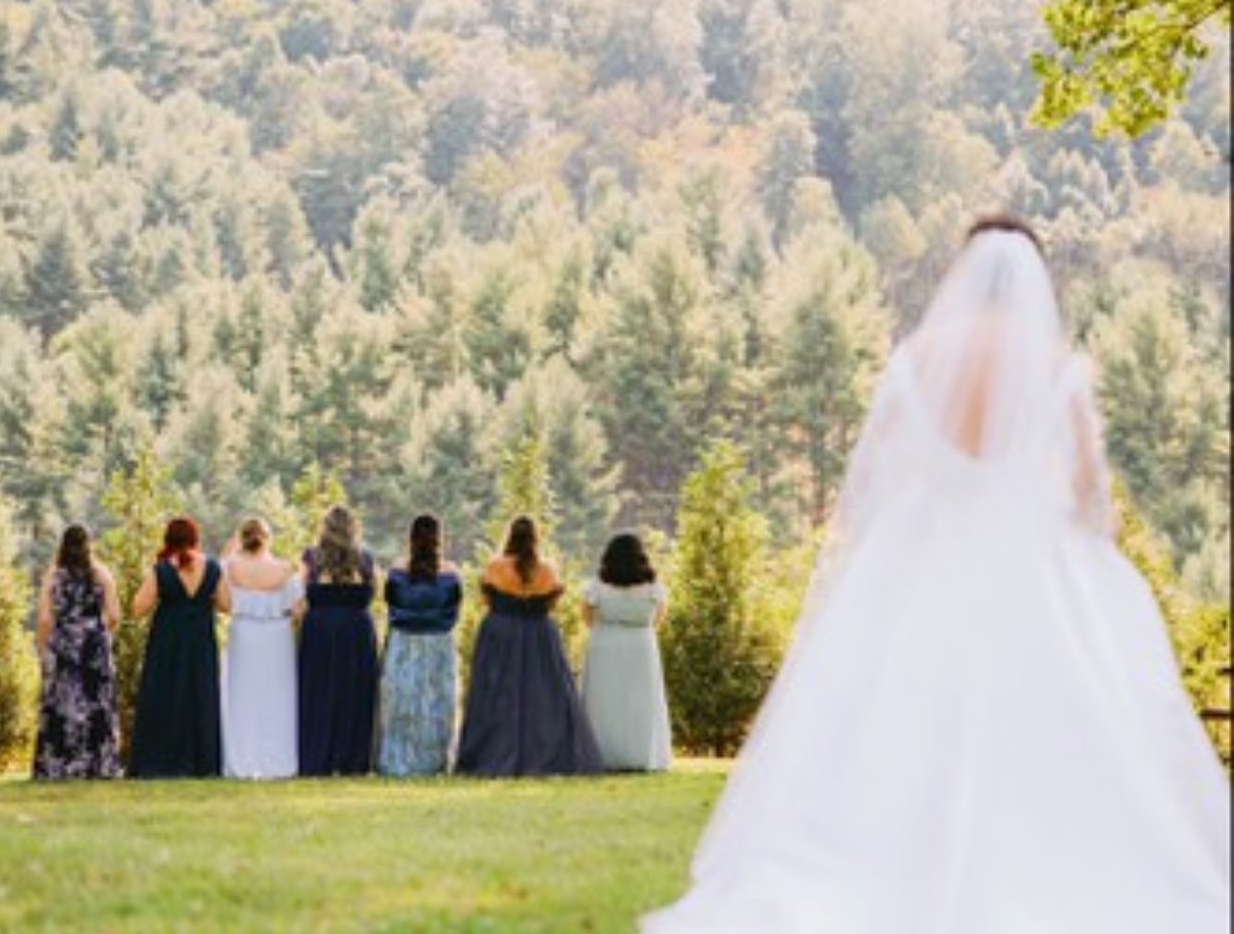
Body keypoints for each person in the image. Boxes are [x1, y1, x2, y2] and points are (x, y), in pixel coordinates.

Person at [643, 216, 1231, 934]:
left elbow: (874, 478)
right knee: (1038, 722)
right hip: (1027, 575)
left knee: (906, 718)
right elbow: (1088, 495)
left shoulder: (919, 357)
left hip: (926, 563)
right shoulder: (1053, 365)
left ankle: (894, 860)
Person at [456, 515, 602, 777]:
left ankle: (491, 753)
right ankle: (545, 755)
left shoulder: (495, 567)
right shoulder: (547, 569)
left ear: (509, 536)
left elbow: (486, 601)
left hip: (500, 634)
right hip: (539, 635)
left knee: (497, 695)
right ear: (535, 538)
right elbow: (551, 603)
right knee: (544, 695)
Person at [129, 516, 228, 778]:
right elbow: (227, 604)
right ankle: (201, 761)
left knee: (165, 697)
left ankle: (162, 760)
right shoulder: (212, 567)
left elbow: (138, 608)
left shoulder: (162, 569)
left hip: (168, 641)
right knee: (200, 695)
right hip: (201, 640)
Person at [32, 524, 121, 779]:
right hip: (94, 642)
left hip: (64, 642)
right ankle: (99, 764)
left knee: (61, 703)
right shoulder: (101, 574)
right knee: (97, 703)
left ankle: (58, 765)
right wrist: (101, 632)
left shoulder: (54, 575)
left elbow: (45, 619)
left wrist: (42, 647)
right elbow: (114, 614)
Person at [377, 514, 464, 777]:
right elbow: (455, 609)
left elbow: (390, 603)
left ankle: (399, 760)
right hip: (438, 643)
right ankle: (435, 761)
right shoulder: (451, 573)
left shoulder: (396, 572)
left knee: (402, 703)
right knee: (437, 704)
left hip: (405, 641)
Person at [297, 504, 378, 776]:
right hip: (356, 630)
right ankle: (352, 758)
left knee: (318, 692)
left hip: (320, 629)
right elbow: (373, 593)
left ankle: (318, 755)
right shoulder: (365, 559)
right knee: (354, 693)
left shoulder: (312, 558)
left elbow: (300, 594)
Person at [580, 532, 671, 772]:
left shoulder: (596, 587)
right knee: (641, 702)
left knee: (603, 702)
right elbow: (658, 619)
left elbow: (587, 618)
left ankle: (603, 754)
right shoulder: (653, 590)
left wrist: (609, 627)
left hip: (604, 643)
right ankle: (641, 754)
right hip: (641, 645)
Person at [220, 517, 301, 779]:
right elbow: (298, 607)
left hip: (243, 632)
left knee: (242, 696)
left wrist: (230, 550)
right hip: (277, 636)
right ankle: (277, 759)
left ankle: (241, 758)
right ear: (269, 538)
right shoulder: (286, 569)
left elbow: (220, 598)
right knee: (277, 697)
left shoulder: (230, 567)